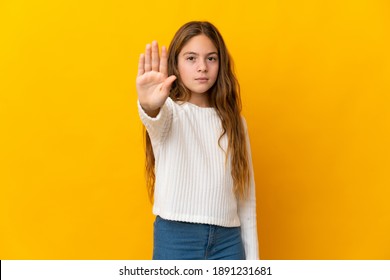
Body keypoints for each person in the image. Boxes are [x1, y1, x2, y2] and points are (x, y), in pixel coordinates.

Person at [136, 21, 259, 260]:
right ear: (176, 64)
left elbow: (246, 198)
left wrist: (253, 264)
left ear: (220, 64)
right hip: (176, 238)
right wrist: (150, 104)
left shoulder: (235, 123)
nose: (202, 67)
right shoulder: (170, 112)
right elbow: (153, 115)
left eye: (211, 58)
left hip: (228, 242)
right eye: (191, 58)